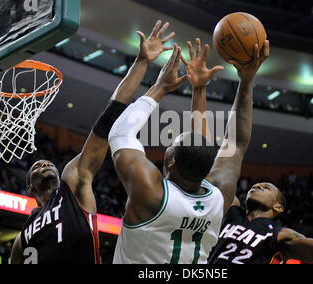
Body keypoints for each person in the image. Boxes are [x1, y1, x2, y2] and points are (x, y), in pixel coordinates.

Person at [10, 20, 176, 264]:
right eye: (35, 168)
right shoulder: (21, 239)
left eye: (46, 164)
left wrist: (141, 63)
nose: (43, 164)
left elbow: (104, 124)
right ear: (31, 190)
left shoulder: (72, 185)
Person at [108, 38, 270, 264]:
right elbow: (237, 141)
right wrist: (243, 81)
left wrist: (160, 87)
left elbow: (120, 133)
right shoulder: (219, 197)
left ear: (171, 161)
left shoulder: (151, 192)